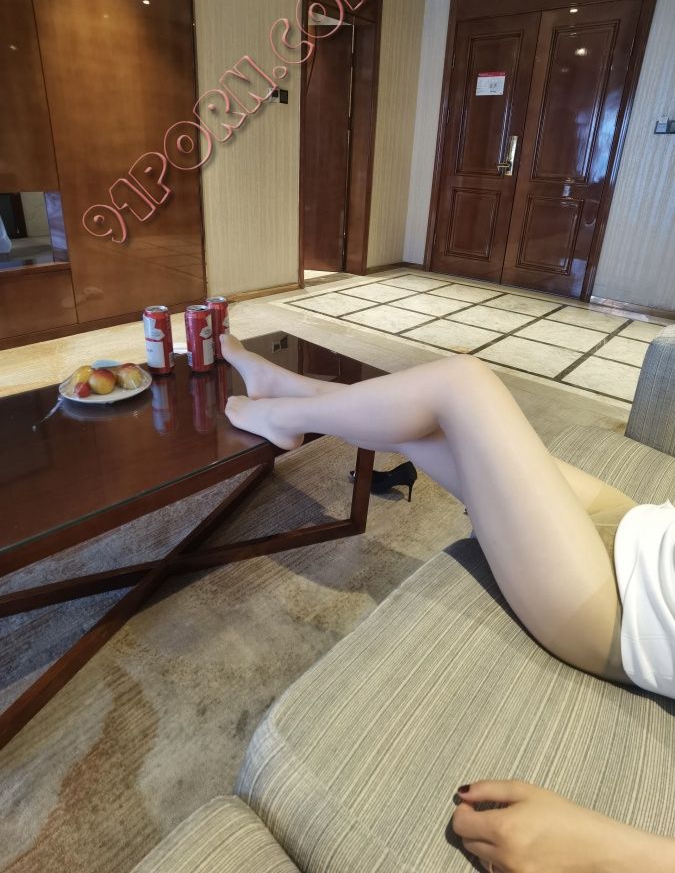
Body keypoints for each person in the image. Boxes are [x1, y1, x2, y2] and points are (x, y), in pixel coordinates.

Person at [221, 333, 675, 873]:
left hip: (615, 611)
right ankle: (285, 388)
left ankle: (282, 409)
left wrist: (613, 853)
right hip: (645, 528)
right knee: (425, 420)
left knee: (461, 384)